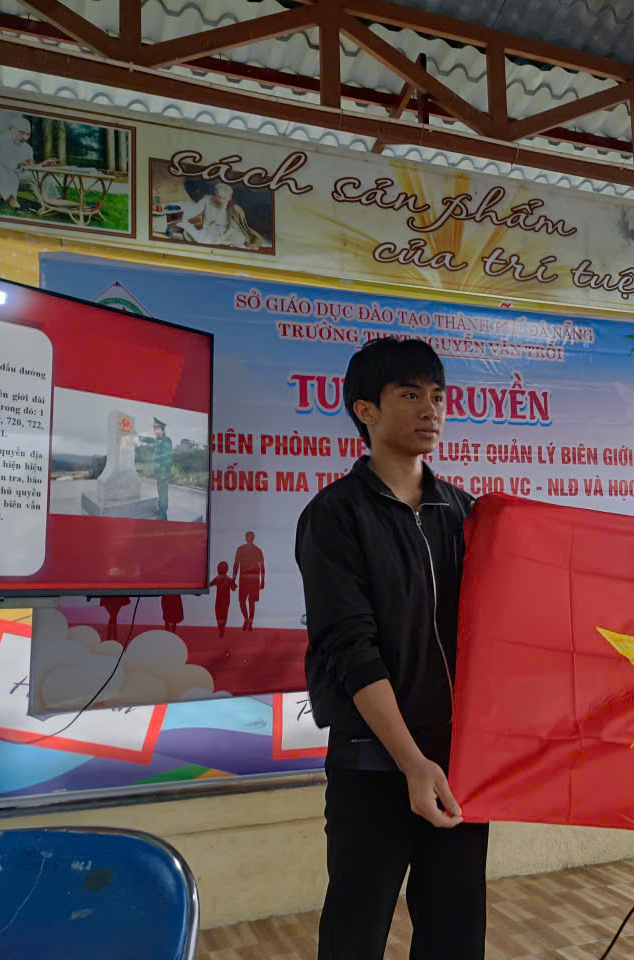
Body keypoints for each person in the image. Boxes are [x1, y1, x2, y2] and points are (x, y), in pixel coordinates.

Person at [295, 337, 487, 960]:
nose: (430, 409)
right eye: (409, 395)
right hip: (373, 764)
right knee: (355, 932)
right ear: (366, 411)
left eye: (437, 396)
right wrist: (411, 763)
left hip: (457, 762)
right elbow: (350, 648)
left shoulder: (467, 515)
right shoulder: (335, 515)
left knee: (455, 934)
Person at [0, 116, 55, 210]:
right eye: (21, 133)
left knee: (42, 175)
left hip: (20, 173)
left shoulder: (27, 148)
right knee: (5, 171)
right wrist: (19, 163)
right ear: (11, 130)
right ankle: (12, 199)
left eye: (28, 134)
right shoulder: (1, 141)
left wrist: (41, 165)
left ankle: (53, 201)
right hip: (0, 171)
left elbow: (29, 166)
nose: (25, 137)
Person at [178, 182, 267, 249]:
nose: (220, 200)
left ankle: (222, 242)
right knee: (202, 236)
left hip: (226, 232)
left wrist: (224, 236)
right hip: (209, 230)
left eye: (224, 198)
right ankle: (221, 242)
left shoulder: (233, 208)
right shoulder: (206, 200)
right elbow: (193, 211)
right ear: (215, 194)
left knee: (240, 239)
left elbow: (236, 226)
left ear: (229, 197)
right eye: (219, 197)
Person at [232, 532, 266, 631]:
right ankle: (246, 619)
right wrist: (233, 579)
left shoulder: (258, 550)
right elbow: (236, 564)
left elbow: (262, 566)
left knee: (251, 602)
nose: (250, 538)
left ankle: (250, 623)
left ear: (253, 538)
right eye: (248, 536)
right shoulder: (240, 549)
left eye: (251, 537)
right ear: (245, 538)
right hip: (243, 578)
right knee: (242, 601)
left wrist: (263, 580)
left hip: (254, 579)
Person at [209, 561, 236, 639]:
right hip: (226, 601)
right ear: (226, 569)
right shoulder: (228, 579)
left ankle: (220, 628)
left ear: (218, 569)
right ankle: (222, 628)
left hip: (219, 601)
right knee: (224, 615)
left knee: (218, 615)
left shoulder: (218, 578)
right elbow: (233, 589)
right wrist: (233, 581)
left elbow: (210, 584)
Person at [152, 417, 172, 520]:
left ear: (161, 429)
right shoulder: (157, 440)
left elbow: (167, 457)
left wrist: (164, 473)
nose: (154, 430)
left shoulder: (166, 440)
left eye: (156, 428)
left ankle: (163, 514)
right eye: (154, 428)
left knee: (163, 493)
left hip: (164, 472)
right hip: (159, 472)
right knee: (160, 492)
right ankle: (161, 510)